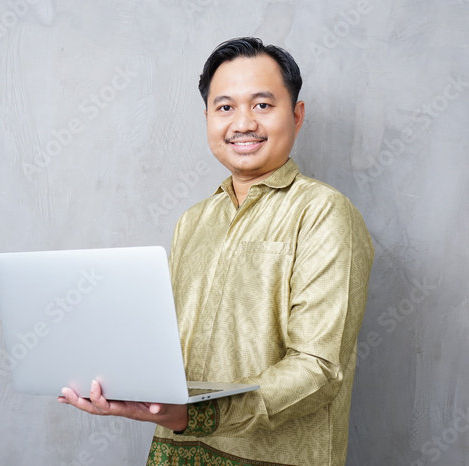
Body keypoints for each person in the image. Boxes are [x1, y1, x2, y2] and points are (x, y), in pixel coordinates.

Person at [59, 37, 374, 465]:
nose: (242, 123)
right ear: (207, 116)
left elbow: (318, 369)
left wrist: (201, 415)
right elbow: (167, 346)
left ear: (297, 116)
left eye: (262, 105)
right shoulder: (193, 221)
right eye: (225, 107)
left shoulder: (324, 213)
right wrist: (116, 378)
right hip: (174, 450)